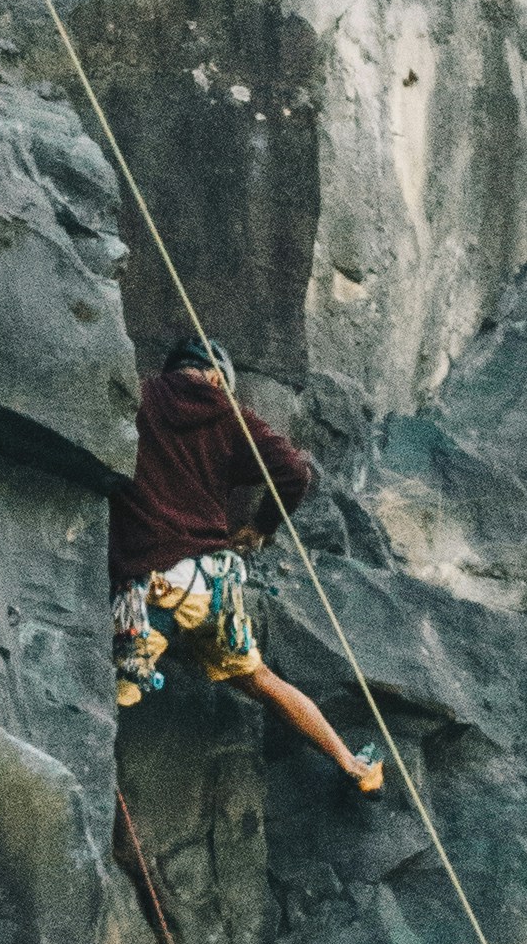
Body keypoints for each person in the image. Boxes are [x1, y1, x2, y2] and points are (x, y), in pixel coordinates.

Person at [110, 340, 384, 795]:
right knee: (258, 678)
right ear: (217, 379)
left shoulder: (141, 398)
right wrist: (260, 527)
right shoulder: (227, 415)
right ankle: (353, 763)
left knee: (109, 690)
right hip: (215, 586)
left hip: (154, 586)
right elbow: (295, 472)